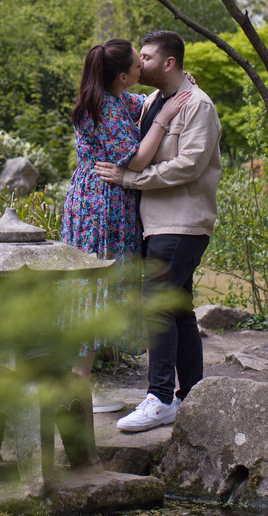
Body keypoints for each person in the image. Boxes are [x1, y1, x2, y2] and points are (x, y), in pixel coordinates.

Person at [94, 29, 222, 433]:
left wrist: (130, 179)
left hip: (183, 222)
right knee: (178, 308)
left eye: (145, 57)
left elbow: (189, 165)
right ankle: (192, 394)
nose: (138, 64)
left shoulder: (198, 105)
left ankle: (160, 396)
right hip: (155, 224)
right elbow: (111, 103)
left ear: (168, 62)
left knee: (156, 302)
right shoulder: (151, 101)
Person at [60, 38, 189, 410]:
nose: (142, 68)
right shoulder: (105, 108)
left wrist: (180, 87)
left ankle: (83, 381)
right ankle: (78, 386)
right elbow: (134, 160)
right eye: (138, 64)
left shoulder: (115, 98)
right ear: (122, 76)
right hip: (100, 204)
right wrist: (164, 120)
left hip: (107, 199)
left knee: (102, 286)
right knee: (94, 286)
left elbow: (145, 103)